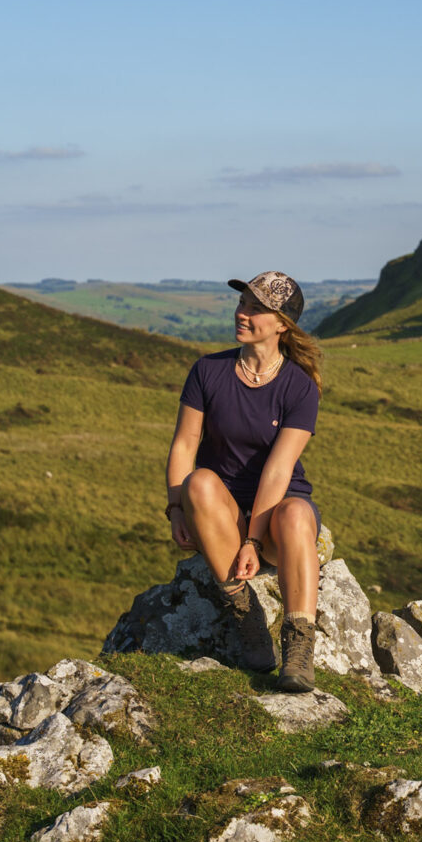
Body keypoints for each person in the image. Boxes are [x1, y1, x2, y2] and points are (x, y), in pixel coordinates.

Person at [164, 270, 322, 691]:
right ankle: (245, 614)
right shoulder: (207, 371)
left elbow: (278, 469)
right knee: (197, 481)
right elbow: (184, 444)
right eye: (242, 304)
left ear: (282, 325)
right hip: (222, 516)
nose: (243, 314)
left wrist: (253, 540)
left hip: (277, 515)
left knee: (293, 515)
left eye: (257, 309)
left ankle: (299, 648)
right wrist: (177, 508)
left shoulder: (299, 388)